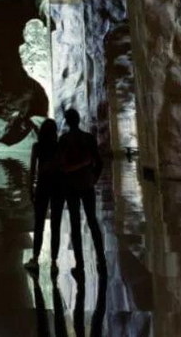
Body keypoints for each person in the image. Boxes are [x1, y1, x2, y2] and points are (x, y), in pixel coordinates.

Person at [59, 108, 106, 280]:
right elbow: (99, 162)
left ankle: (79, 264)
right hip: (86, 183)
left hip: (71, 185)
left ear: (67, 121)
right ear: (78, 120)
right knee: (92, 221)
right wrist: (93, 178)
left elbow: (61, 165)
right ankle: (101, 259)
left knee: (75, 223)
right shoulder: (89, 138)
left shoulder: (64, 139)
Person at [24, 119, 64, 277]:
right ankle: (54, 262)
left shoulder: (37, 146)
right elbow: (63, 167)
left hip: (42, 186)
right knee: (56, 225)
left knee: (39, 224)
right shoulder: (59, 146)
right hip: (58, 186)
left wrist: (30, 189)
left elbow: (32, 170)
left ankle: (35, 259)